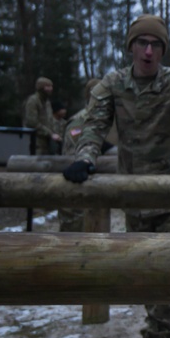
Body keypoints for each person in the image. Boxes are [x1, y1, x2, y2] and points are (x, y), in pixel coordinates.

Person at [61, 14, 170, 338]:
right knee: (145, 278)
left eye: (155, 45)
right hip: (134, 196)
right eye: (141, 43)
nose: (148, 51)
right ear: (130, 47)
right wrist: (87, 158)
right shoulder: (112, 84)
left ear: (163, 50)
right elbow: (93, 125)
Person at [58, 79, 101, 233]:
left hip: (101, 192)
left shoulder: (109, 120)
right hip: (78, 191)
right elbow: (71, 157)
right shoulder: (79, 121)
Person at [22, 77, 62, 155]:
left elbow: (50, 119)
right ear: (41, 87)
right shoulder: (32, 101)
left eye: (51, 86)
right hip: (35, 141)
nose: (51, 89)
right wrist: (50, 134)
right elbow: (32, 122)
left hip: (46, 141)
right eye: (48, 86)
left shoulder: (47, 102)